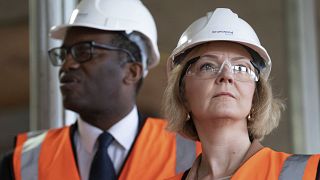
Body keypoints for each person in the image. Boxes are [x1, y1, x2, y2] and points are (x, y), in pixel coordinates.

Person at [0, 0, 200, 179]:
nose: (67, 65)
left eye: (84, 51)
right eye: (64, 54)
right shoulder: (22, 163)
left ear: (132, 71)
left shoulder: (194, 155)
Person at [164, 8, 320, 180]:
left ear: (256, 96)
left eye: (241, 68)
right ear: (182, 94)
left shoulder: (312, 172)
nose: (227, 76)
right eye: (207, 66)